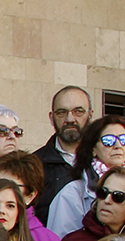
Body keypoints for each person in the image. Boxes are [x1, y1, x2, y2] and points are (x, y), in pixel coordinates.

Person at [46, 115, 125, 238]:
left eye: (124, 139)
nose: (118, 145)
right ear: (93, 148)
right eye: (109, 140)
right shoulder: (73, 192)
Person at [33, 85, 93, 221]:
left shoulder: (104, 161)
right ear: (51, 117)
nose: (70, 119)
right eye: (61, 112)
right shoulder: (35, 165)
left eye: (78, 111)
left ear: (90, 115)